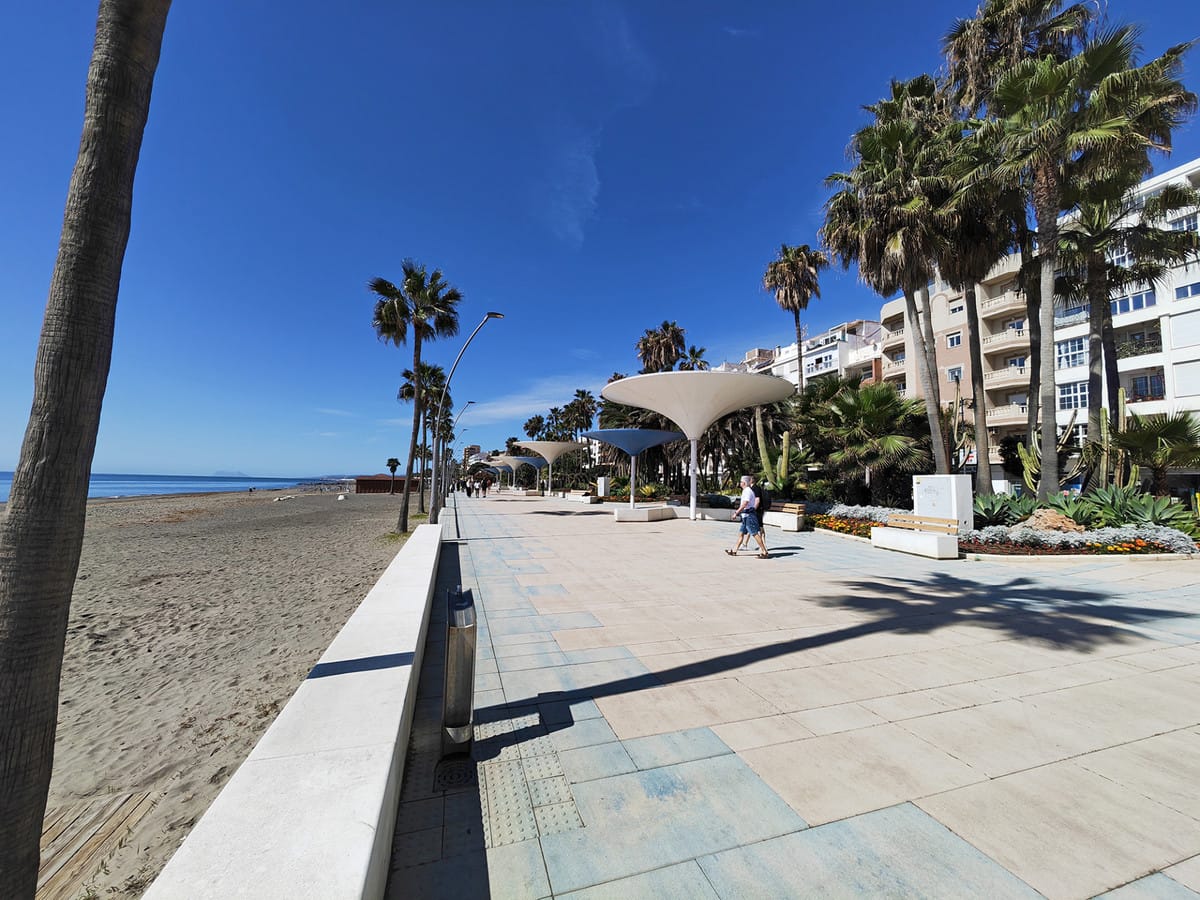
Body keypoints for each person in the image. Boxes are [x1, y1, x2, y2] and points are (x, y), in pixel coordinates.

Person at [727, 474, 768, 559]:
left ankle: (764, 551)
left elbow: (745, 503)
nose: (740, 483)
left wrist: (736, 512)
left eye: (741, 482)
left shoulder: (747, 491)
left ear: (744, 483)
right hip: (745, 516)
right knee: (741, 533)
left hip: (749, 516)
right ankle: (734, 550)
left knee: (755, 534)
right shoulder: (746, 491)